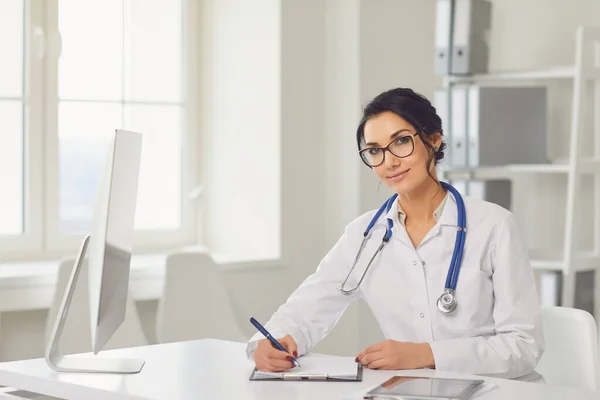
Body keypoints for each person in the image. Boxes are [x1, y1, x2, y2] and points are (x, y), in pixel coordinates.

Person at [246, 87, 544, 379]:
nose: (389, 161)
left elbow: (523, 347)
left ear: (435, 140)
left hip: (494, 390)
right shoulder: (365, 235)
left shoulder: (493, 225)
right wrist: (268, 344)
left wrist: (427, 354)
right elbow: (306, 309)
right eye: (375, 150)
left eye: (401, 141)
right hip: (408, 389)